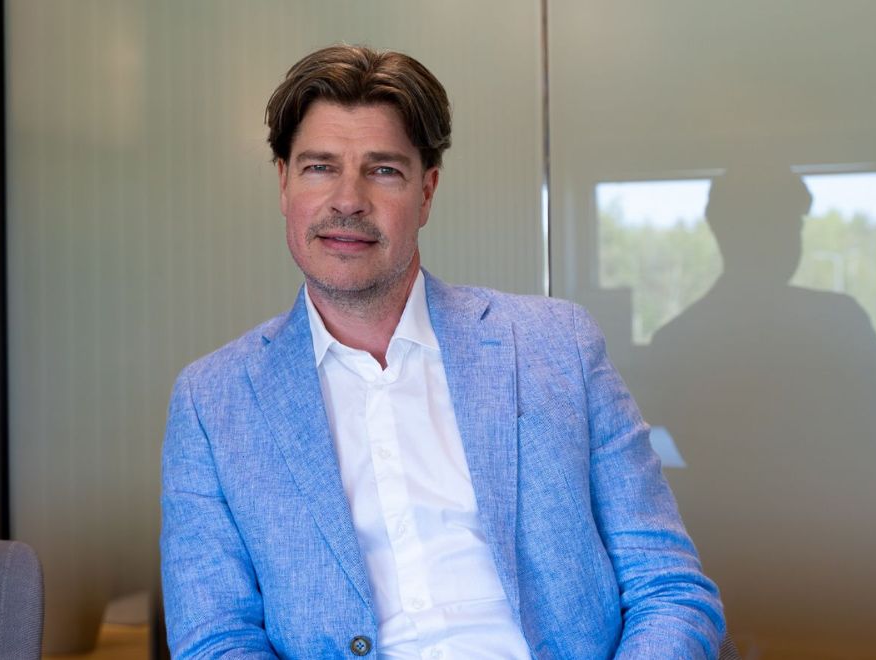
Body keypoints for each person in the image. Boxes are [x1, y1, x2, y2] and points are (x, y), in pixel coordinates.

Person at [160, 44, 724, 659]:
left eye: (383, 170)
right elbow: (216, 640)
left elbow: (669, 589)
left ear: (426, 192)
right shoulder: (212, 403)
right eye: (319, 167)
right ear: (283, 183)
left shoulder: (558, 346)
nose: (347, 200)